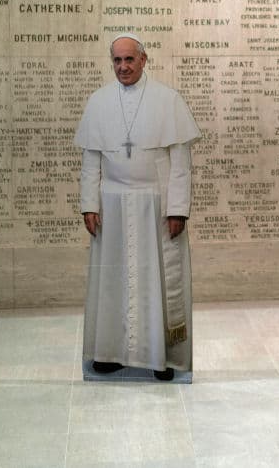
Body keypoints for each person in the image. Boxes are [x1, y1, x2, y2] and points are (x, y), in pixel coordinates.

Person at [74, 33, 201, 381]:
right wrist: (89, 204)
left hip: (154, 209)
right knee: (113, 282)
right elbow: (90, 161)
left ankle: (161, 356)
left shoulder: (168, 100)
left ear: (144, 60)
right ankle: (110, 353)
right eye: (116, 60)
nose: (123, 66)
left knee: (156, 281)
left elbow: (181, 163)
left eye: (129, 59)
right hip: (111, 208)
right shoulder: (98, 102)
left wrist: (177, 209)